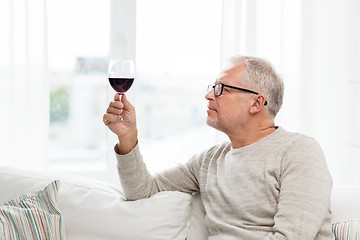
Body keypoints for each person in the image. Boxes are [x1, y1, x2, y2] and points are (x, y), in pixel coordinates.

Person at [103, 55, 333, 239]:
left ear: (256, 103)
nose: (209, 95)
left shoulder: (299, 152)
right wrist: (128, 137)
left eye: (222, 88)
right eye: (213, 86)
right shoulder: (210, 161)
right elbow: (143, 193)